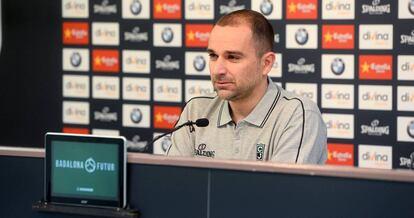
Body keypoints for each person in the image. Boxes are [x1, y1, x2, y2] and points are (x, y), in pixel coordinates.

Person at [167, 9, 327, 164]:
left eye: (232, 57)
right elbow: (174, 184)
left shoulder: (297, 115)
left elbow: (282, 190)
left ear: (266, 64)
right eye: (213, 56)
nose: (218, 70)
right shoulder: (196, 111)